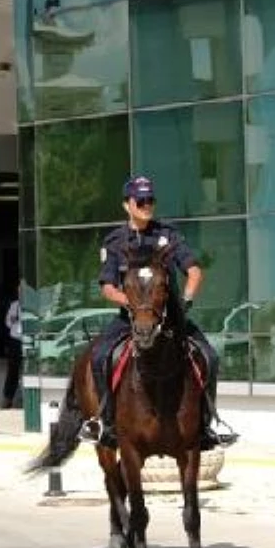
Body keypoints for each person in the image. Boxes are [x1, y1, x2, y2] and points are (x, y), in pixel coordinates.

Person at [79, 174, 237, 451]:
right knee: (101, 356)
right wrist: (129, 304)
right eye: (140, 201)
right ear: (127, 205)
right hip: (130, 317)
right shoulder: (115, 241)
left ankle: (206, 424)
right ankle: (103, 423)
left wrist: (186, 299)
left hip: (170, 317)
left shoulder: (168, 235)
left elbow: (194, 271)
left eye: (150, 200)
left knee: (209, 356)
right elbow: (107, 286)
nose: (146, 205)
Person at [0, 281, 23, 409]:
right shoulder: (14, 305)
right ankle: (7, 398)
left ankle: (25, 399)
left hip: (28, 340)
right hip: (15, 340)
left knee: (28, 371)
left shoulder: (33, 306)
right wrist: (11, 320)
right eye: (20, 291)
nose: (21, 293)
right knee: (12, 371)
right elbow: (7, 322)